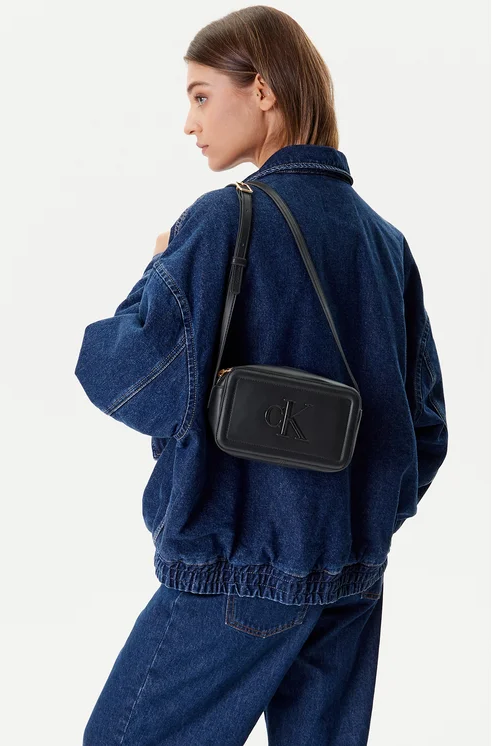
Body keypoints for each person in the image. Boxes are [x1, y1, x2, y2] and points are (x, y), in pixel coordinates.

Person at [75, 6, 449, 745]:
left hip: (239, 567)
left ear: (264, 91)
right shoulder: (385, 242)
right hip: (352, 577)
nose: (190, 123)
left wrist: (160, 266)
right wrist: (355, 522)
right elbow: (424, 429)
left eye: (202, 94)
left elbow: (125, 372)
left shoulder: (223, 221)